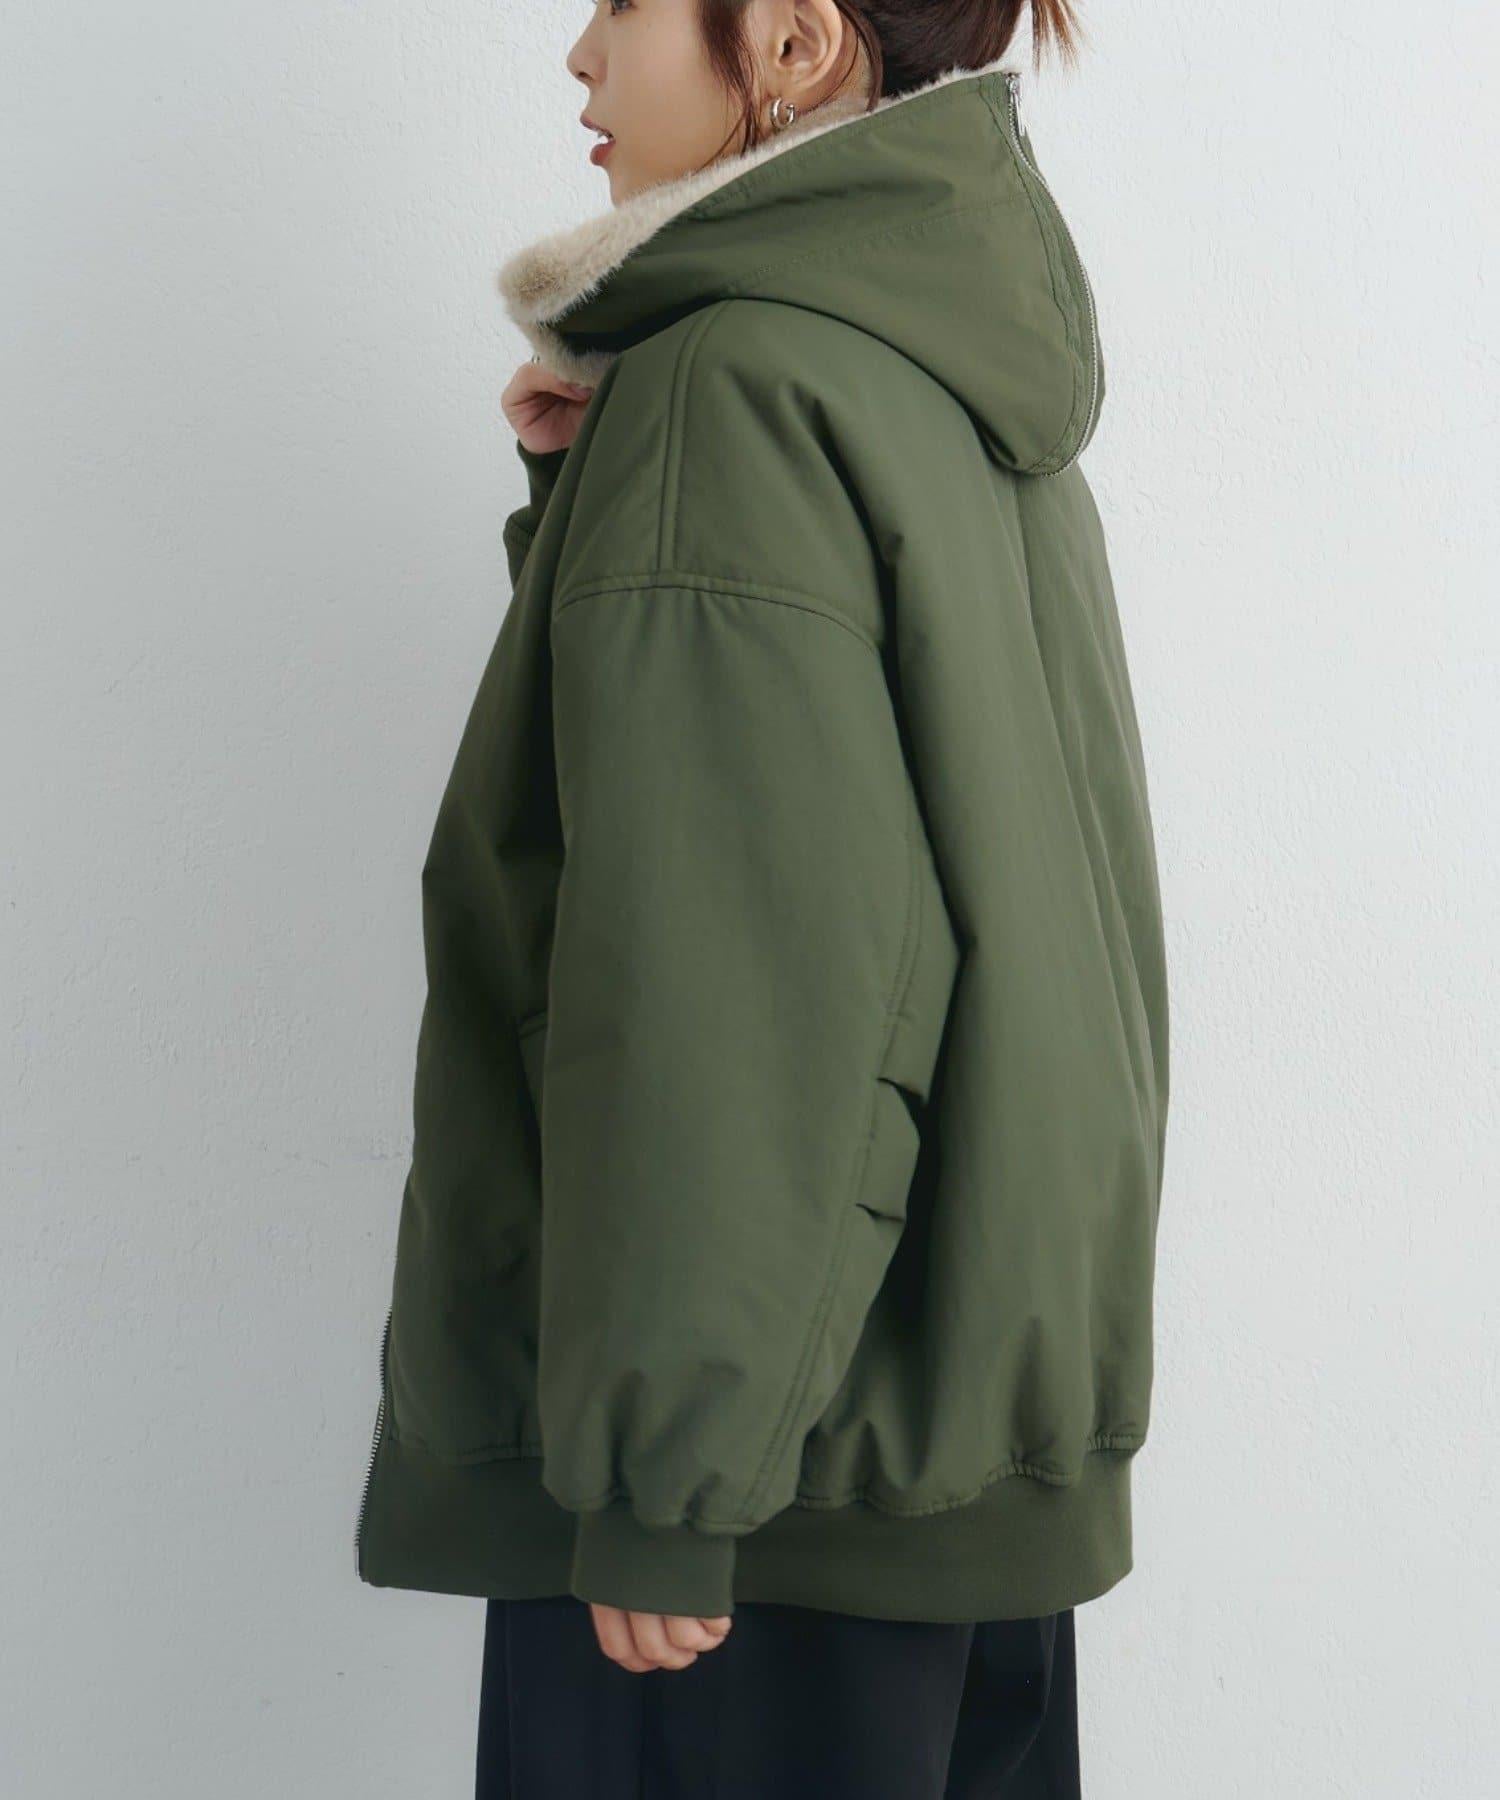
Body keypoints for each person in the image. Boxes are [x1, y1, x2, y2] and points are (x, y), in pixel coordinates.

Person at [354, 1, 1171, 1793]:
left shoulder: (733, 392)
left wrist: (668, 1480)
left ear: (792, 43)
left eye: (626, 0)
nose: (580, 54)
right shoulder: (935, 358)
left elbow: (736, 988)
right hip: (934, 1447)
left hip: (746, 1520)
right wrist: (583, 509)